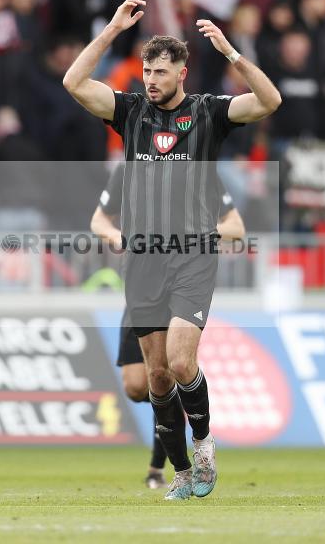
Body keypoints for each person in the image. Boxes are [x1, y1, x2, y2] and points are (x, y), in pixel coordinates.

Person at [62, 0, 281, 500]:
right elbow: (74, 83)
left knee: (183, 364)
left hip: (192, 255)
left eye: (160, 71)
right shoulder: (130, 111)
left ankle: (203, 445)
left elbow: (269, 102)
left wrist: (232, 54)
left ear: (182, 72)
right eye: (146, 70)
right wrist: (113, 30)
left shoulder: (208, 112)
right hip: (141, 260)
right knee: (156, 377)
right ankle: (181, 471)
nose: (150, 78)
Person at [90, 162, 245, 490]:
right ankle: (179, 430)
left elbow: (235, 227)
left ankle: (172, 467)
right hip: (143, 280)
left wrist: (200, 236)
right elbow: (98, 220)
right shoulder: (128, 170)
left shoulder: (199, 171)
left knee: (173, 365)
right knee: (140, 384)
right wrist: (124, 239)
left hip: (183, 276)